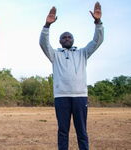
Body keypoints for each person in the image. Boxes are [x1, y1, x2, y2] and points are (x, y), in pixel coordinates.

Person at [39, 2, 104, 150]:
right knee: (63, 131)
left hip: (80, 96)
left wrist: (98, 22)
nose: (67, 38)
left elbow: (97, 41)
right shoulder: (55, 54)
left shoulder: (83, 53)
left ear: (73, 40)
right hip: (61, 97)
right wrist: (47, 25)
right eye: (64, 37)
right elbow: (43, 43)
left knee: (82, 131)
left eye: (69, 37)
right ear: (60, 41)